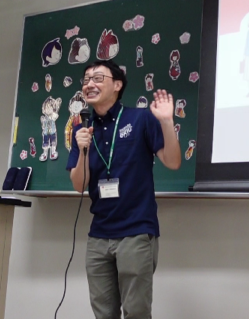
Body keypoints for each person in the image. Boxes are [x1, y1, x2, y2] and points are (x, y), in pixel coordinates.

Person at [67, 59, 181, 319]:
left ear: (117, 85)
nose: (89, 84)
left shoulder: (140, 119)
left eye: (98, 78)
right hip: (99, 234)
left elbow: (173, 162)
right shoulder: (81, 130)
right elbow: (79, 184)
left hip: (136, 231)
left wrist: (166, 121)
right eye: (86, 80)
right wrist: (83, 149)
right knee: (103, 313)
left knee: (136, 312)